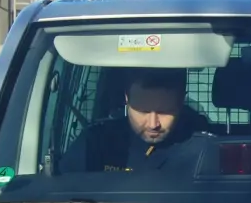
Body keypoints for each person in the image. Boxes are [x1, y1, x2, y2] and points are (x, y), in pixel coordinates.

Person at [58, 68, 210, 174]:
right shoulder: (95, 143)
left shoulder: (206, 148)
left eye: (164, 112)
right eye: (143, 111)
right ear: (126, 98)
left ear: (181, 101)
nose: (153, 124)